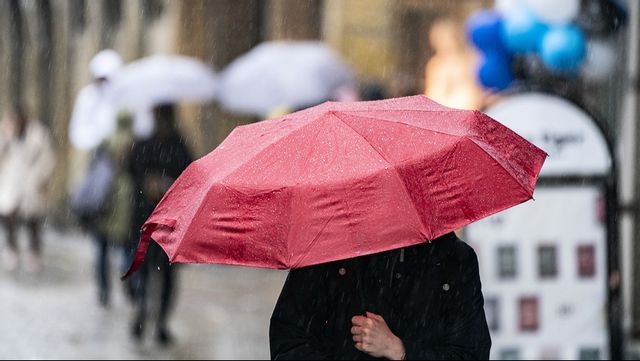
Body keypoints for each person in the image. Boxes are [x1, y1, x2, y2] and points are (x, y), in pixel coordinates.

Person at [269, 232, 491, 360]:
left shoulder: (454, 260)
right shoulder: (327, 250)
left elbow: (472, 354)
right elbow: (288, 342)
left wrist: (400, 350)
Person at [127, 103, 192, 345]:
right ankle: (141, 315)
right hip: (144, 220)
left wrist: (167, 184)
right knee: (142, 272)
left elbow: (189, 175)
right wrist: (146, 181)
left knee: (166, 277)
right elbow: (131, 170)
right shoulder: (142, 143)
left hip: (170, 223)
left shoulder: (179, 146)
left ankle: (161, 323)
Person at [0, 104, 55, 273]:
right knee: (9, 217)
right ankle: (11, 250)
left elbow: (49, 158)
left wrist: (41, 179)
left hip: (32, 183)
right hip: (11, 182)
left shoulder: (39, 134)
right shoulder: (6, 133)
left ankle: (34, 254)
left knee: (33, 222)